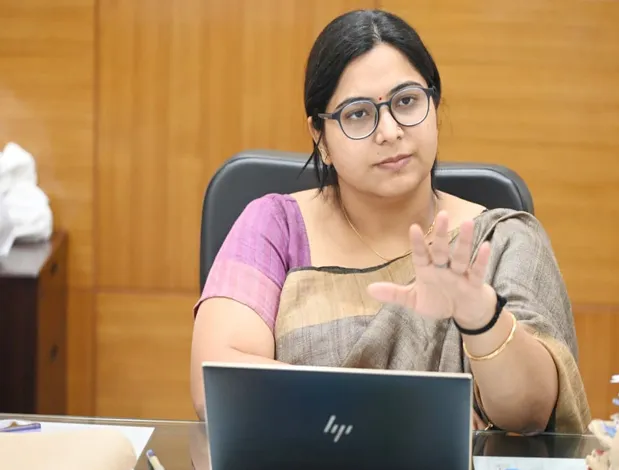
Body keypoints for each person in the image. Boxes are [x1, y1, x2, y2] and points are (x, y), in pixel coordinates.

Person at [190, 9, 591, 434]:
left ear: (434, 106)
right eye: (358, 113)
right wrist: (410, 413)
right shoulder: (275, 227)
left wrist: (482, 318)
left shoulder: (501, 239)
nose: (389, 131)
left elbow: (531, 414)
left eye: (406, 101)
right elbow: (217, 384)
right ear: (319, 136)